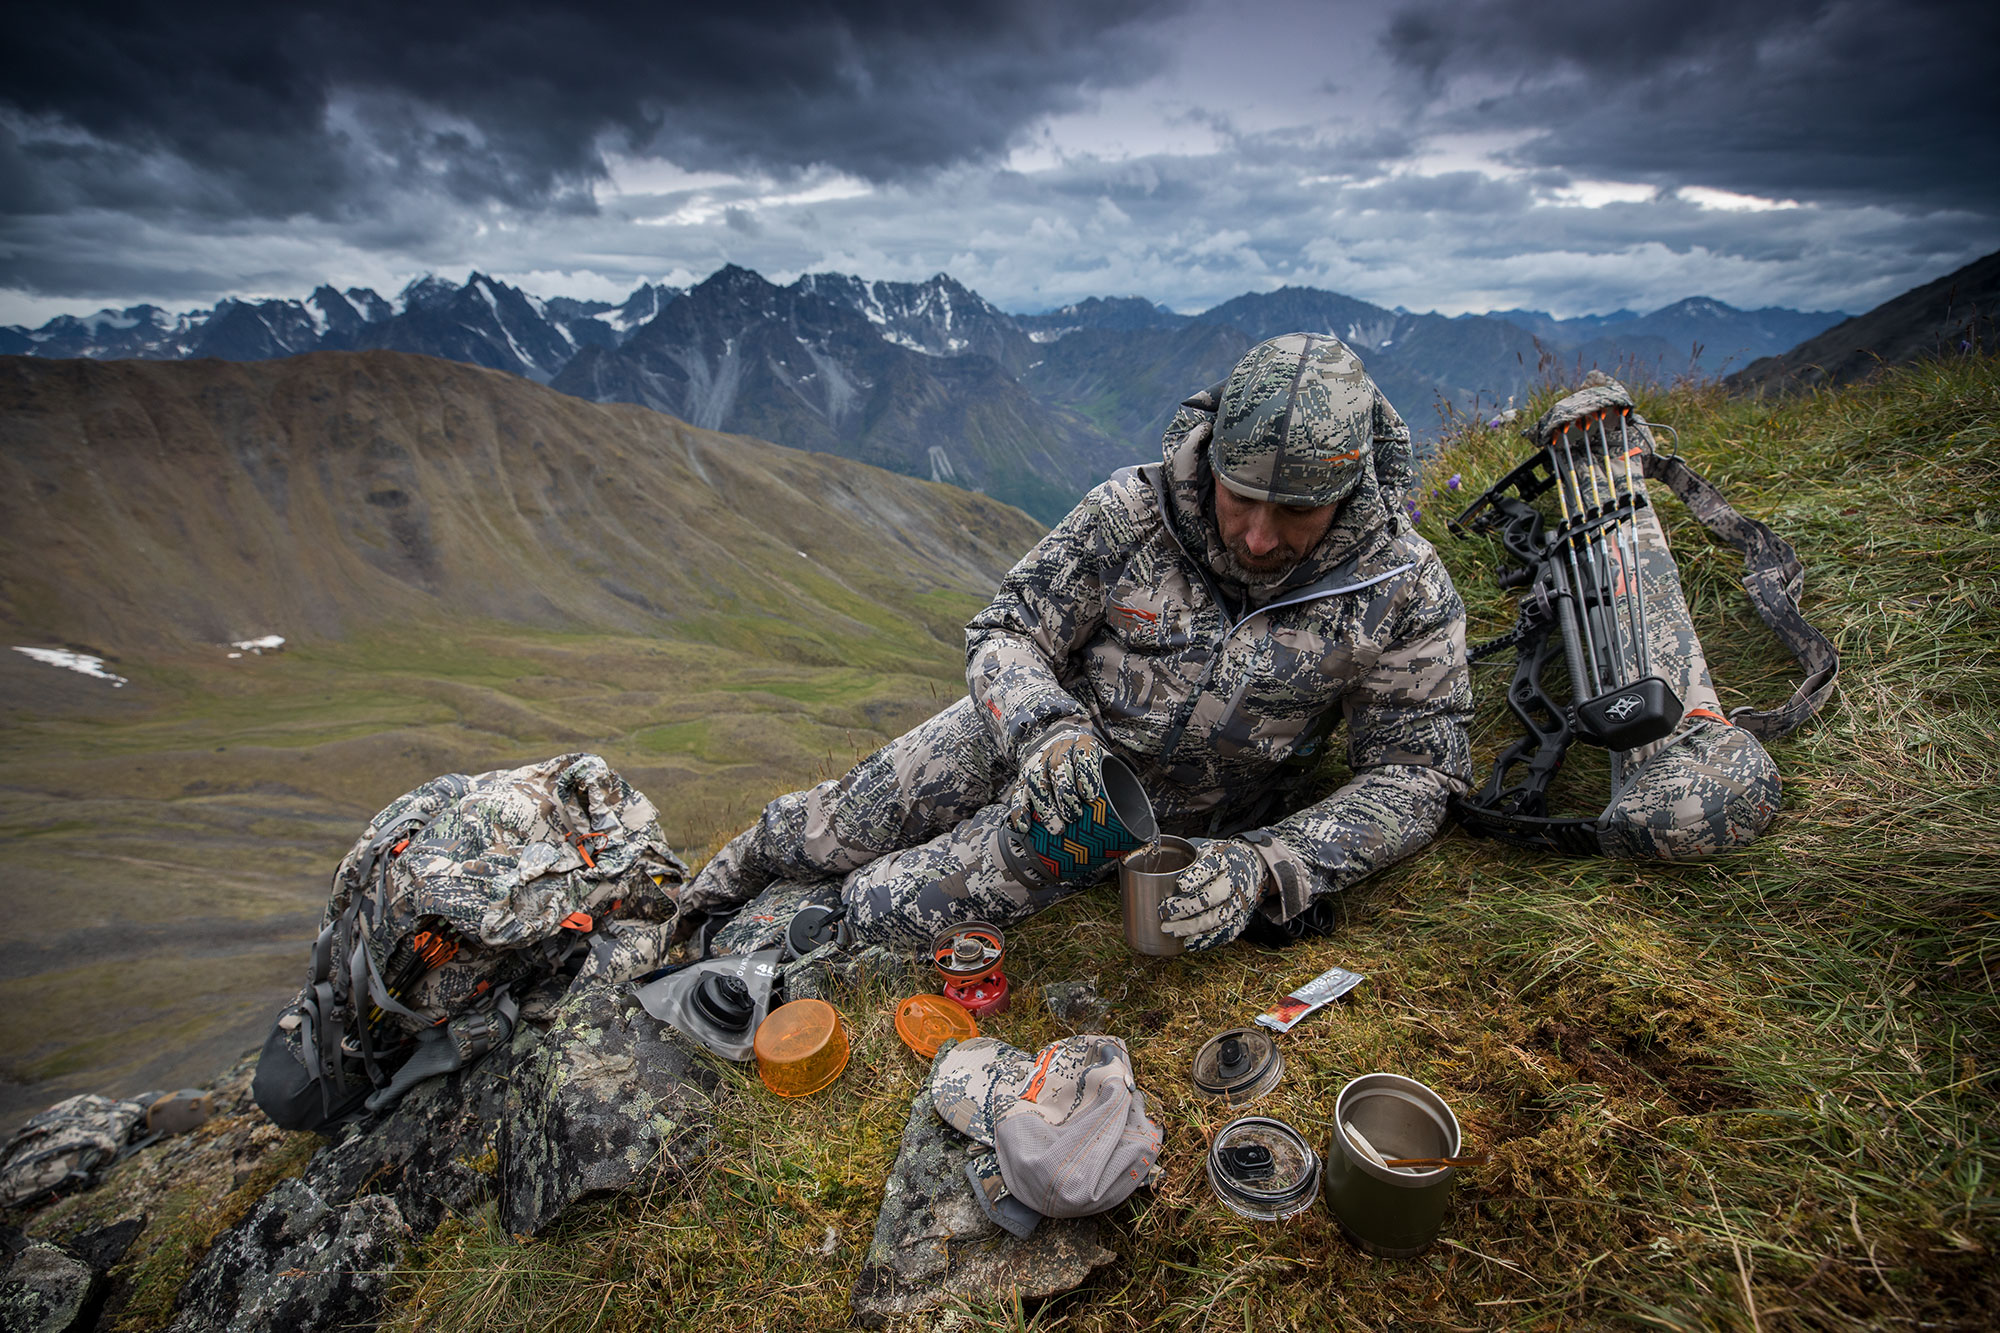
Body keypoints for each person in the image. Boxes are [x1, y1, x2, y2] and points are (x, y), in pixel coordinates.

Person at [677, 333, 1472, 952]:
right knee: (829, 822)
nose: (1259, 537)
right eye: (1241, 497)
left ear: (1349, 490)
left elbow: (1417, 775)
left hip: (1138, 825)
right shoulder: (1131, 514)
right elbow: (1004, 631)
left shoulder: (1402, 589)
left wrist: (1266, 864)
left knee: (885, 908)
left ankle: (779, 946)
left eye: (1295, 511)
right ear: (1213, 457)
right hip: (1030, 735)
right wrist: (1046, 731)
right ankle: (690, 911)